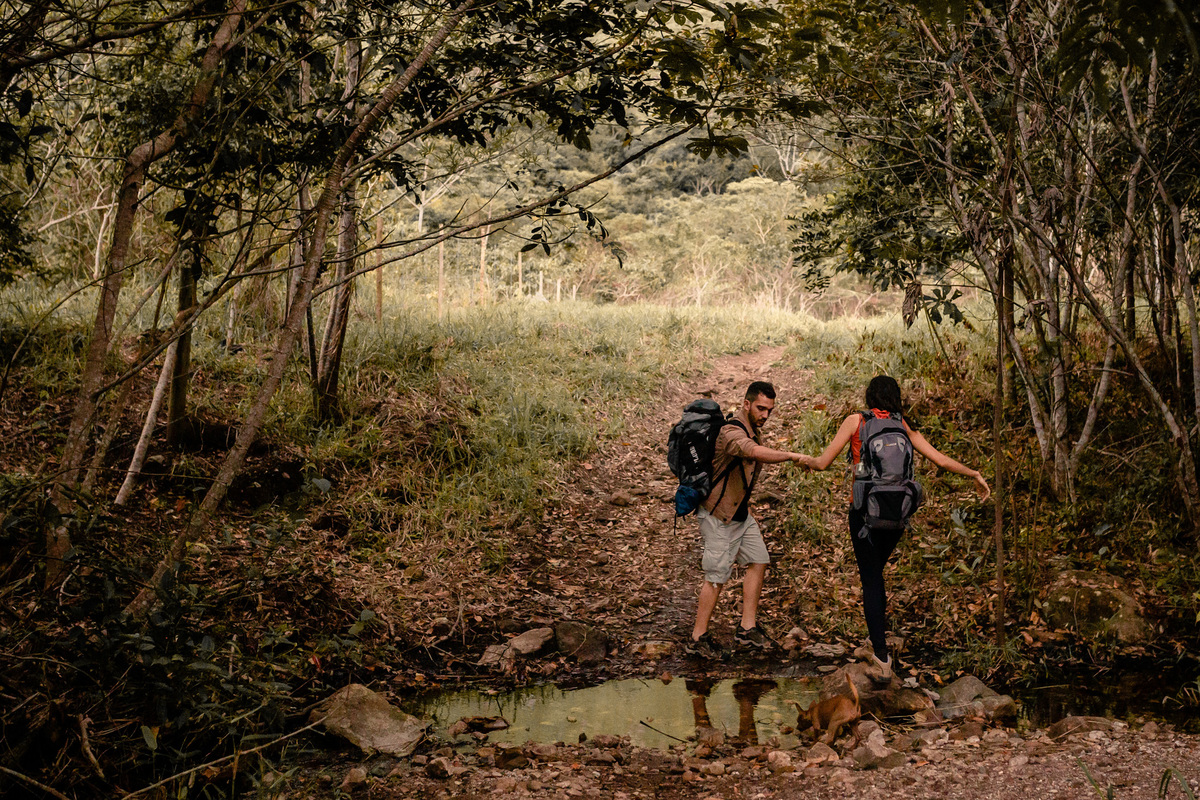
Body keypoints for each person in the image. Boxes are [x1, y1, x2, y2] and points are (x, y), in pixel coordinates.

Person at [798, 375, 990, 682]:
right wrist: (974, 473)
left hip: (864, 514)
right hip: (897, 516)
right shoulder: (904, 426)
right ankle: (878, 644)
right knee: (875, 575)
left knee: (871, 579)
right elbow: (940, 461)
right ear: (896, 398)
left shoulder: (856, 421)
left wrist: (799, 459)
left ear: (870, 396)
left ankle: (881, 658)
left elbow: (822, 463)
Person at [687, 381, 806, 660]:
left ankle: (747, 629)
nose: (765, 415)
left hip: (740, 514)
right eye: (761, 408)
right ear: (746, 404)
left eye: (770, 410)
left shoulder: (752, 430)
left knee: (759, 560)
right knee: (716, 577)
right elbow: (751, 451)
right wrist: (790, 456)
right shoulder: (731, 431)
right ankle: (697, 637)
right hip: (719, 515)